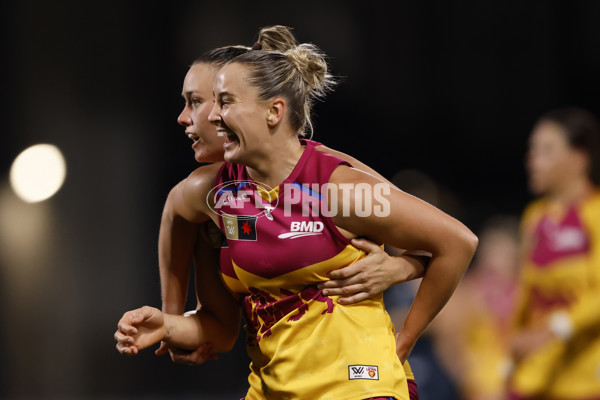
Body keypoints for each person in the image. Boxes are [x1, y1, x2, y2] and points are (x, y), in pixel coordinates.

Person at [116, 31, 477, 399]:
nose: (203, 115)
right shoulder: (211, 196)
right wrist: (169, 321)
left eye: (209, 101)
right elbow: (219, 330)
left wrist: (404, 325)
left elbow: (449, 240)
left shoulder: (335, 185)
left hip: (355, 385)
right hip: (272, 389)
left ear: (273, 110)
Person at [508, 106, 600, 400]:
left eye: (546, 150)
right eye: (532, 149)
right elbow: (526, 293)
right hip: (536, 377)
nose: (531, 160)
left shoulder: (596, 213)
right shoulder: (534, 218)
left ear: (579, 158)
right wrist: (508, 358)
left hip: (586, 379)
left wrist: (554, 329)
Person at [431, 214, 520, 400]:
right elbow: (448, 336)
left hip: (519, 385)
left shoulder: (525, 290)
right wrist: (465, 376)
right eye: (490, 251)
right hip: (480, 388)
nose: (493, 260)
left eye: (503, 253)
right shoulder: (469, 289)